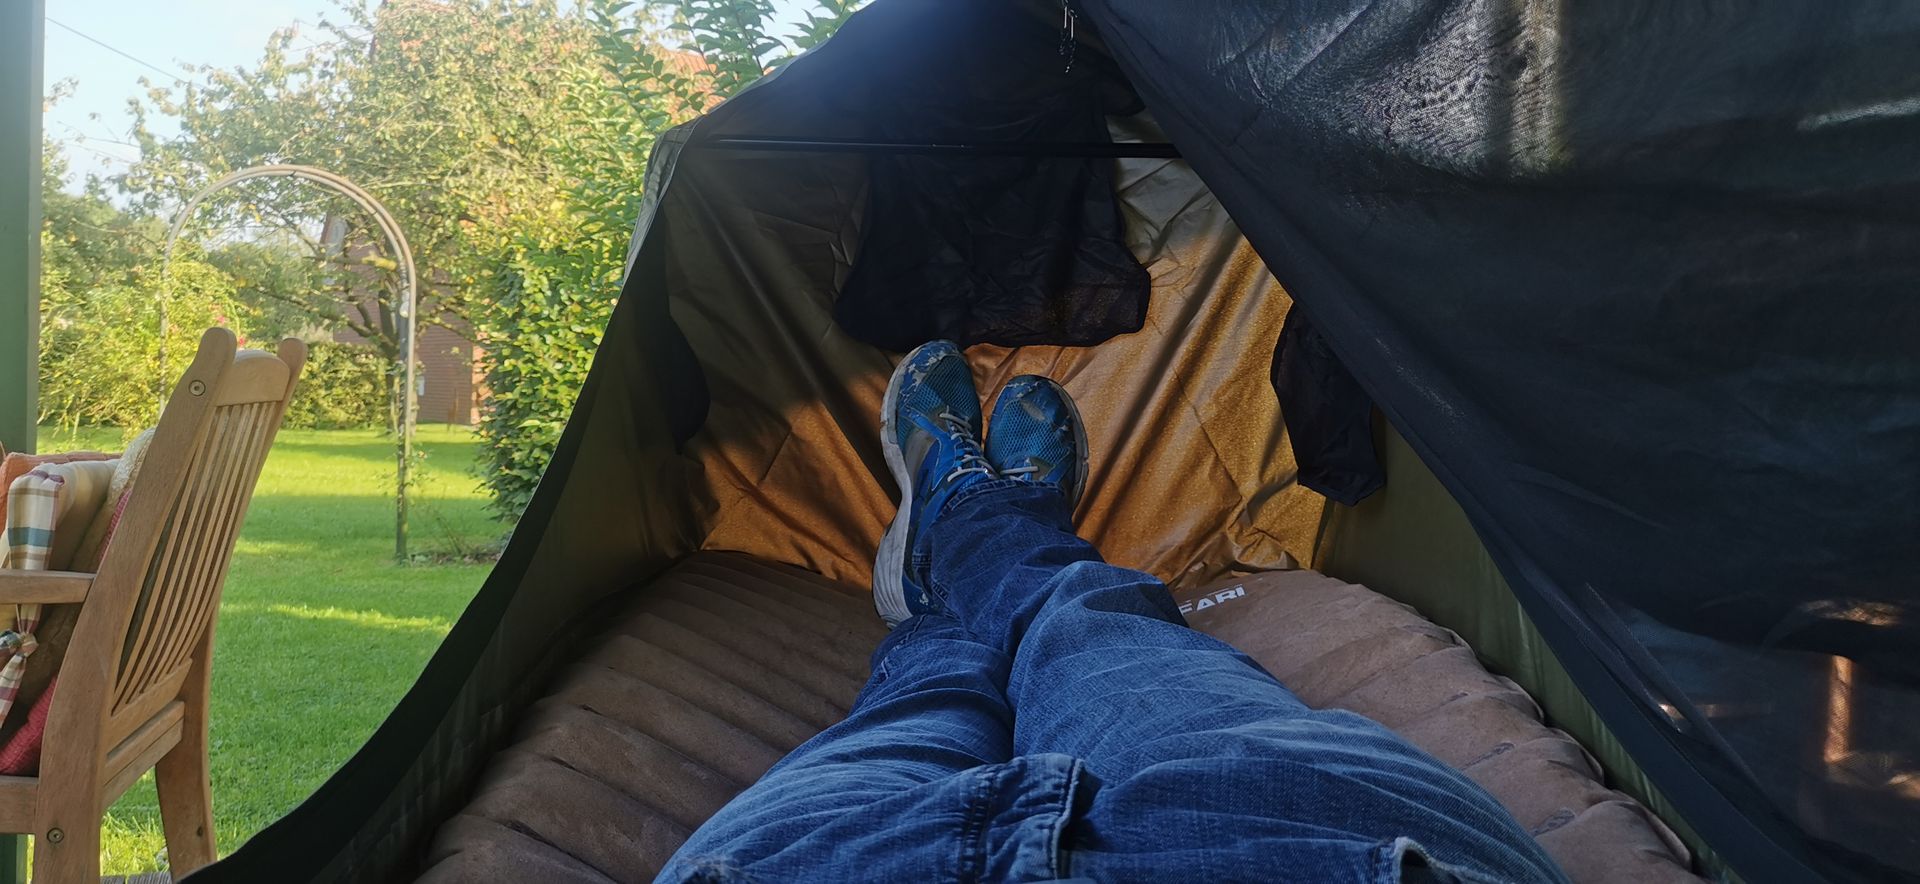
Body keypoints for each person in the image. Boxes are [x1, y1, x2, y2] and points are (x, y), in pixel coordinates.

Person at [659, 340, 1567, 883]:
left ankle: (961, 548)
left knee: (926, 698)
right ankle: (991, 531)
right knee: (1094, 624)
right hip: (1323, 838)